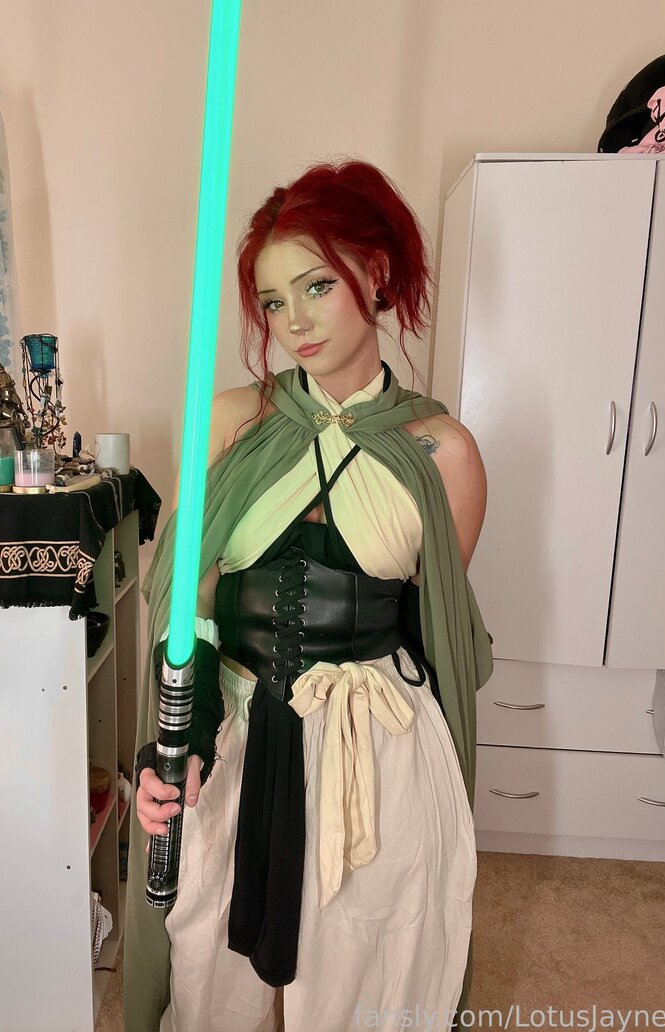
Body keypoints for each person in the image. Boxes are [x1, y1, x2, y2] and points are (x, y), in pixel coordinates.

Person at [123, 158, 493, 1032]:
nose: (294, 322)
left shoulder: (444, 453)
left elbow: (432, 631)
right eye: (273, 300)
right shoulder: (231, 420)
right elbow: (189, 600)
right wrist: (184, 734)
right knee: (213, 969)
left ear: (377, 271)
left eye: (317, 285)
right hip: (237, 729)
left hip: (375, 748)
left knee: (368, 965)